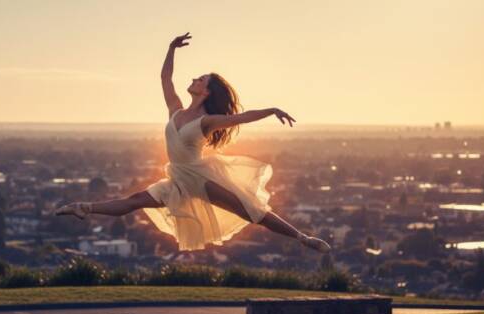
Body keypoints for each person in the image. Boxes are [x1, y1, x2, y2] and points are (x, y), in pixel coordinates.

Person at [56, 32, 331, 254]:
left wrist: (272, 110)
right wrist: (171, 48)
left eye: (200, 79)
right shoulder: (175, 110)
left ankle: (302, 237)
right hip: (177, 179)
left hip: (201, 178)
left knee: (249, 211)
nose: (194, 79)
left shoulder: (206, 121)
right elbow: (165, 78)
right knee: (135, 200)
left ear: (206, 91)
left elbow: (243, 117)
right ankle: (84, 207)